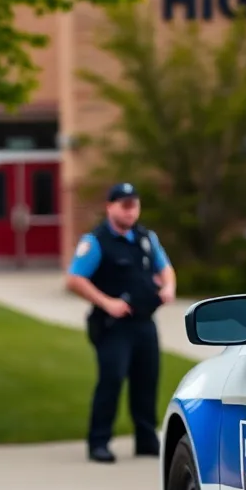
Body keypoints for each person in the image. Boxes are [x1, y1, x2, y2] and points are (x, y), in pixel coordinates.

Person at [66, 182, 176, 463]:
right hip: (113, 326)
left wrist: (168, 288)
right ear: (110, 207)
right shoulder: (96, 241)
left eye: (134, 205)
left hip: (144, 322)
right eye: (124, 206)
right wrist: (107, 302)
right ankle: (99, 441)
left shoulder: (145, 238)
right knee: (112, 380)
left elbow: (165, 268)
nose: (130, 211)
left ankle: (146, 438)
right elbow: (75, 279)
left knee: (147, 380)